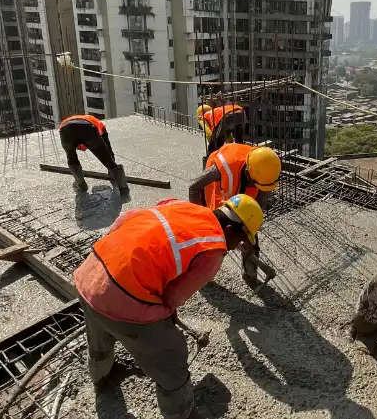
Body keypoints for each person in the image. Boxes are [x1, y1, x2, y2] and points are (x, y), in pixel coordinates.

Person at [73, 194, 264, 419]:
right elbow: (172, 298)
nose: (236, 247)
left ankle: (102, 378)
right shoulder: (212, 250)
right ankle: (181, 413)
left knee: (99, 338)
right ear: (231, 229)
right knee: (172, 357)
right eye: (240, 240)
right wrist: (166, 316)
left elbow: (127, 218)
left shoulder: (182, 206)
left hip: (90, 273)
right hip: (122, 296)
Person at [189, 142, 280, 288]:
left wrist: (248, 233)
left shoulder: (265, 174)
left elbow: (258, 206)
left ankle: (250, 275)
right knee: (212, 234)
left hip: (240, 197)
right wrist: (198, 219)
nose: (259, 190)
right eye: (254, 185)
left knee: (251, 239)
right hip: (218, 187)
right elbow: (194, 187)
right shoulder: (224, 168)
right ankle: (200, 274)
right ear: (248, 173)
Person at [58, 114, 128, 194]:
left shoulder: (66, 122)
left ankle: (80, 185)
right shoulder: (98, 124)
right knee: (108, 161)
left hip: (65, 130)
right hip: (87, 129)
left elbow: (75, 137)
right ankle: (123, 188)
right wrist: (112, 166)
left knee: (71, 158)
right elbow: (107, 148)